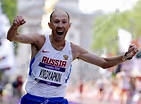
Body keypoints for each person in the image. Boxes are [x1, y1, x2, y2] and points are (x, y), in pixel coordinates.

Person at [7, 10, 138, 104]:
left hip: (57, 100)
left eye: (64, 22)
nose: (60, 25)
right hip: (33, 99)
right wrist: (14, 27)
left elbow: (103, 62)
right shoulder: (39, 40)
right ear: (50, 25)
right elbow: (12, 37)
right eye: (56, 21)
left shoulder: (74, 50)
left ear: (68, 26)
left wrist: (125, 57)